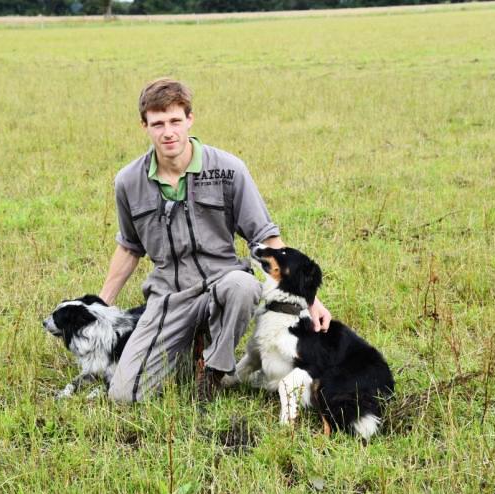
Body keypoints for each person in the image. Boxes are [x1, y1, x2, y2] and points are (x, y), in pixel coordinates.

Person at [100, 78, 331, 403]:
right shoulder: (128, 181)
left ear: (189, 120)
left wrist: (309, 299)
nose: (168, 132)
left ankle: (214, 371)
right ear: (145, 126)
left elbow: (265, 236)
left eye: (175, 121)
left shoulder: (228, 169)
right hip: (169, 296)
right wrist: (100, 305)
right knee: (125, 396)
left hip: (223, 283)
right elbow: (128, 247)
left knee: (243, 286)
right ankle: (183, 353)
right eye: (158, 124)